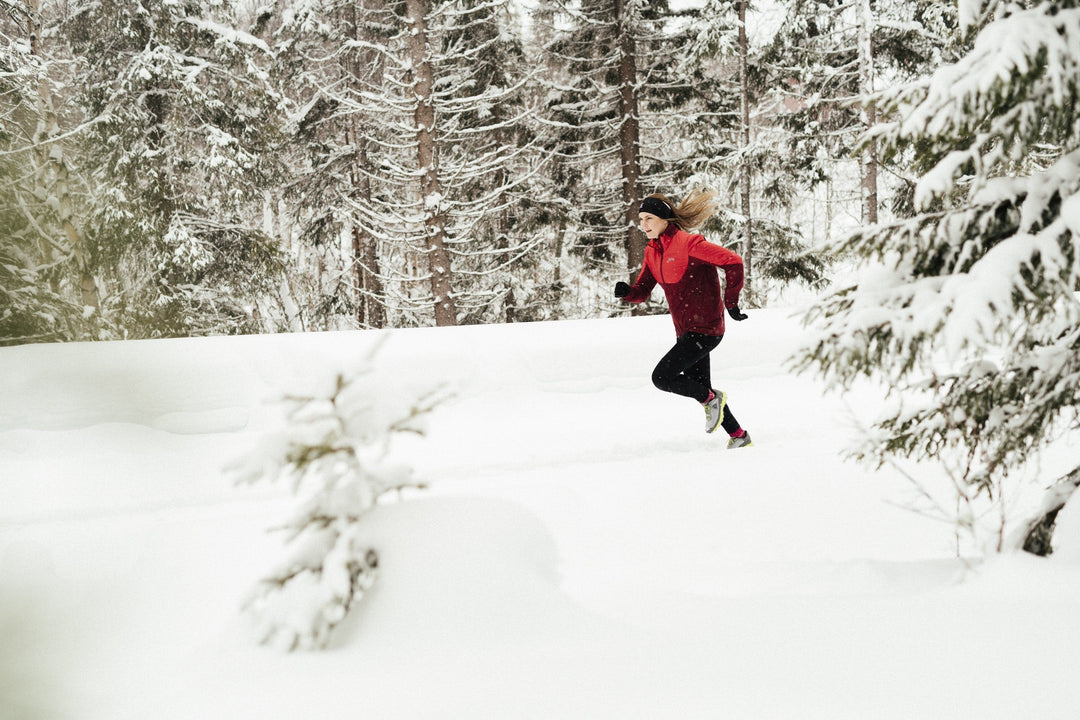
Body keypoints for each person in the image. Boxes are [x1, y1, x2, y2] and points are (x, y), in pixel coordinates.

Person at [615, 189, 752, 449]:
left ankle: (712, 400)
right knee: (701, 386)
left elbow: (733, 262)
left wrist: (731, 302)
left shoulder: (690, 244)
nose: (643, 224)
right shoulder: (652, 253)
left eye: (649, 219)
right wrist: (628, 293)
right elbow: (642, 292)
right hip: (685, 331)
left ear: (665, 220)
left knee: (662, 378)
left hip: (707, 328)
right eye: (641, 219)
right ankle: (739, 436)